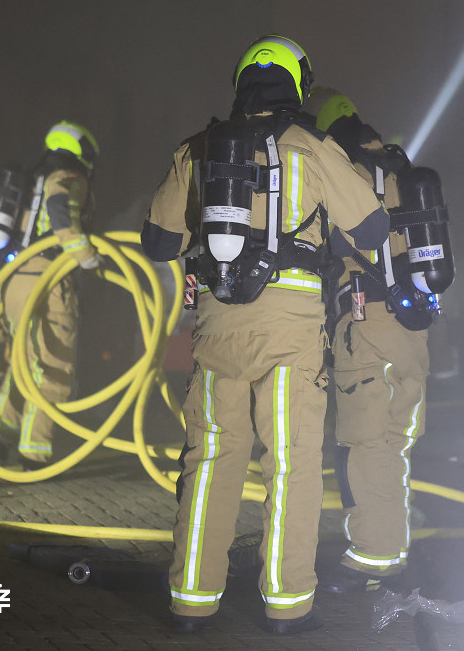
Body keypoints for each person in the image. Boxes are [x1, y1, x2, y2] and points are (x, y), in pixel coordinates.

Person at [140, 36, 388, 635]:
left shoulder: (198, 149)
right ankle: (286, 604)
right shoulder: (311, 147)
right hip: (291, 330)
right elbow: (373, 228)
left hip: (219, 327)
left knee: (211, 461)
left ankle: (192, 602)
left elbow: (158, 243)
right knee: (292, 465)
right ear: (298, 84)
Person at [301, 87, 443, 593]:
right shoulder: (402, 172)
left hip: (368, 324)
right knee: (394, 444)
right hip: (413, 327)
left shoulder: (343, 174)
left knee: (366, 444)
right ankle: (392, 550)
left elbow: (323, 242)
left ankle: (374, 557)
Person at [0, 121, 100, 470]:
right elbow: (63, 213)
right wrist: (86, 255)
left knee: (24, 362)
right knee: (54, 367)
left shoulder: (35, 180)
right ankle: (34, 455)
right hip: (47, 282)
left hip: (14, 281)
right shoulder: (68, 177)